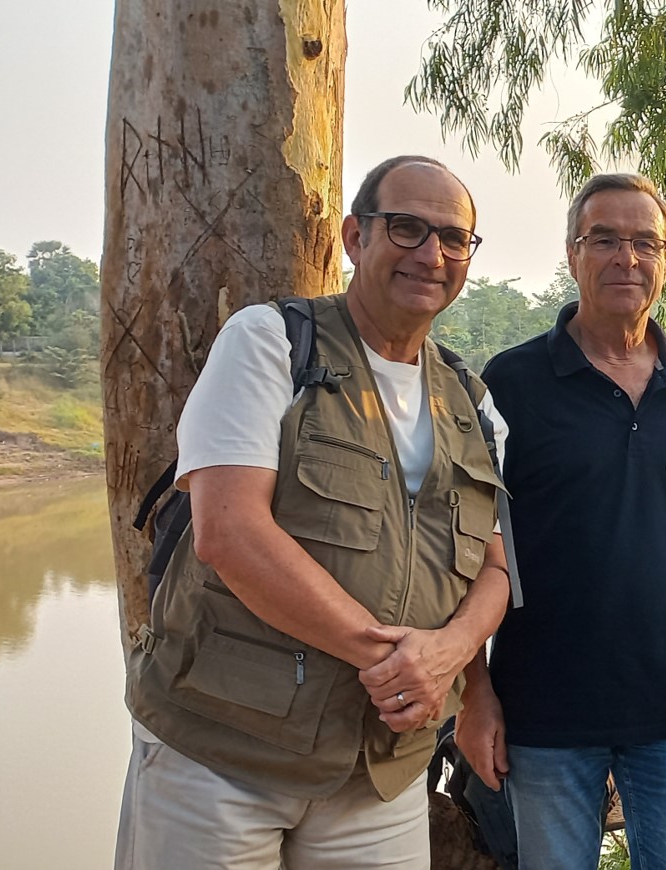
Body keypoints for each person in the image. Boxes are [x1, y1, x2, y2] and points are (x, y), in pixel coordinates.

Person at [117, 155, 511, 869]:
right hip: (225, 754)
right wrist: (393, 664)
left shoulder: (472, 404)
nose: (433, 253)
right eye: (407, 228)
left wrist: (451, 656)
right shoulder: (270, 343)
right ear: (356, 237)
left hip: (379, 775)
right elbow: (228, 532)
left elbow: (498, 566)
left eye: (454, 239)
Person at [457, 173, 666, 869]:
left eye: (645, 242)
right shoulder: (512, 383)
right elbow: (466, 548)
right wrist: (476, 693)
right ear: (573, 252)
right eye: (604, 239)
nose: (626, 258)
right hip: (544, 714)